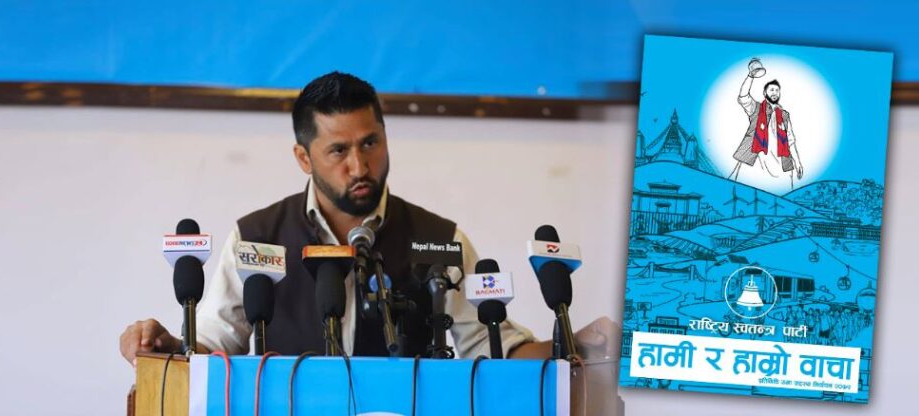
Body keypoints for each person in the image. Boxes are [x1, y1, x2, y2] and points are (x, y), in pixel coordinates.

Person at [119, 70, 617, 364]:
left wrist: (572, 343)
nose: (359, 167)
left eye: (371, 143)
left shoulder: (440, 239)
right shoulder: (256, 237)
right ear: (303, 158)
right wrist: (165, 346)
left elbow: (494, 347)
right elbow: (213, 348)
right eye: (338, 150)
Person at [729, 60, 805, 190]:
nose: (774, 92)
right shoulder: (756, 109)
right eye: (771, 89)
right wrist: (751, 76)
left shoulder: (784, 115)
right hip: (755, 162)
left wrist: (797, 163)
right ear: (765, 93)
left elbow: (791, 141)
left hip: (780, 164)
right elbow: (743, 97)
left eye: (777, 90)